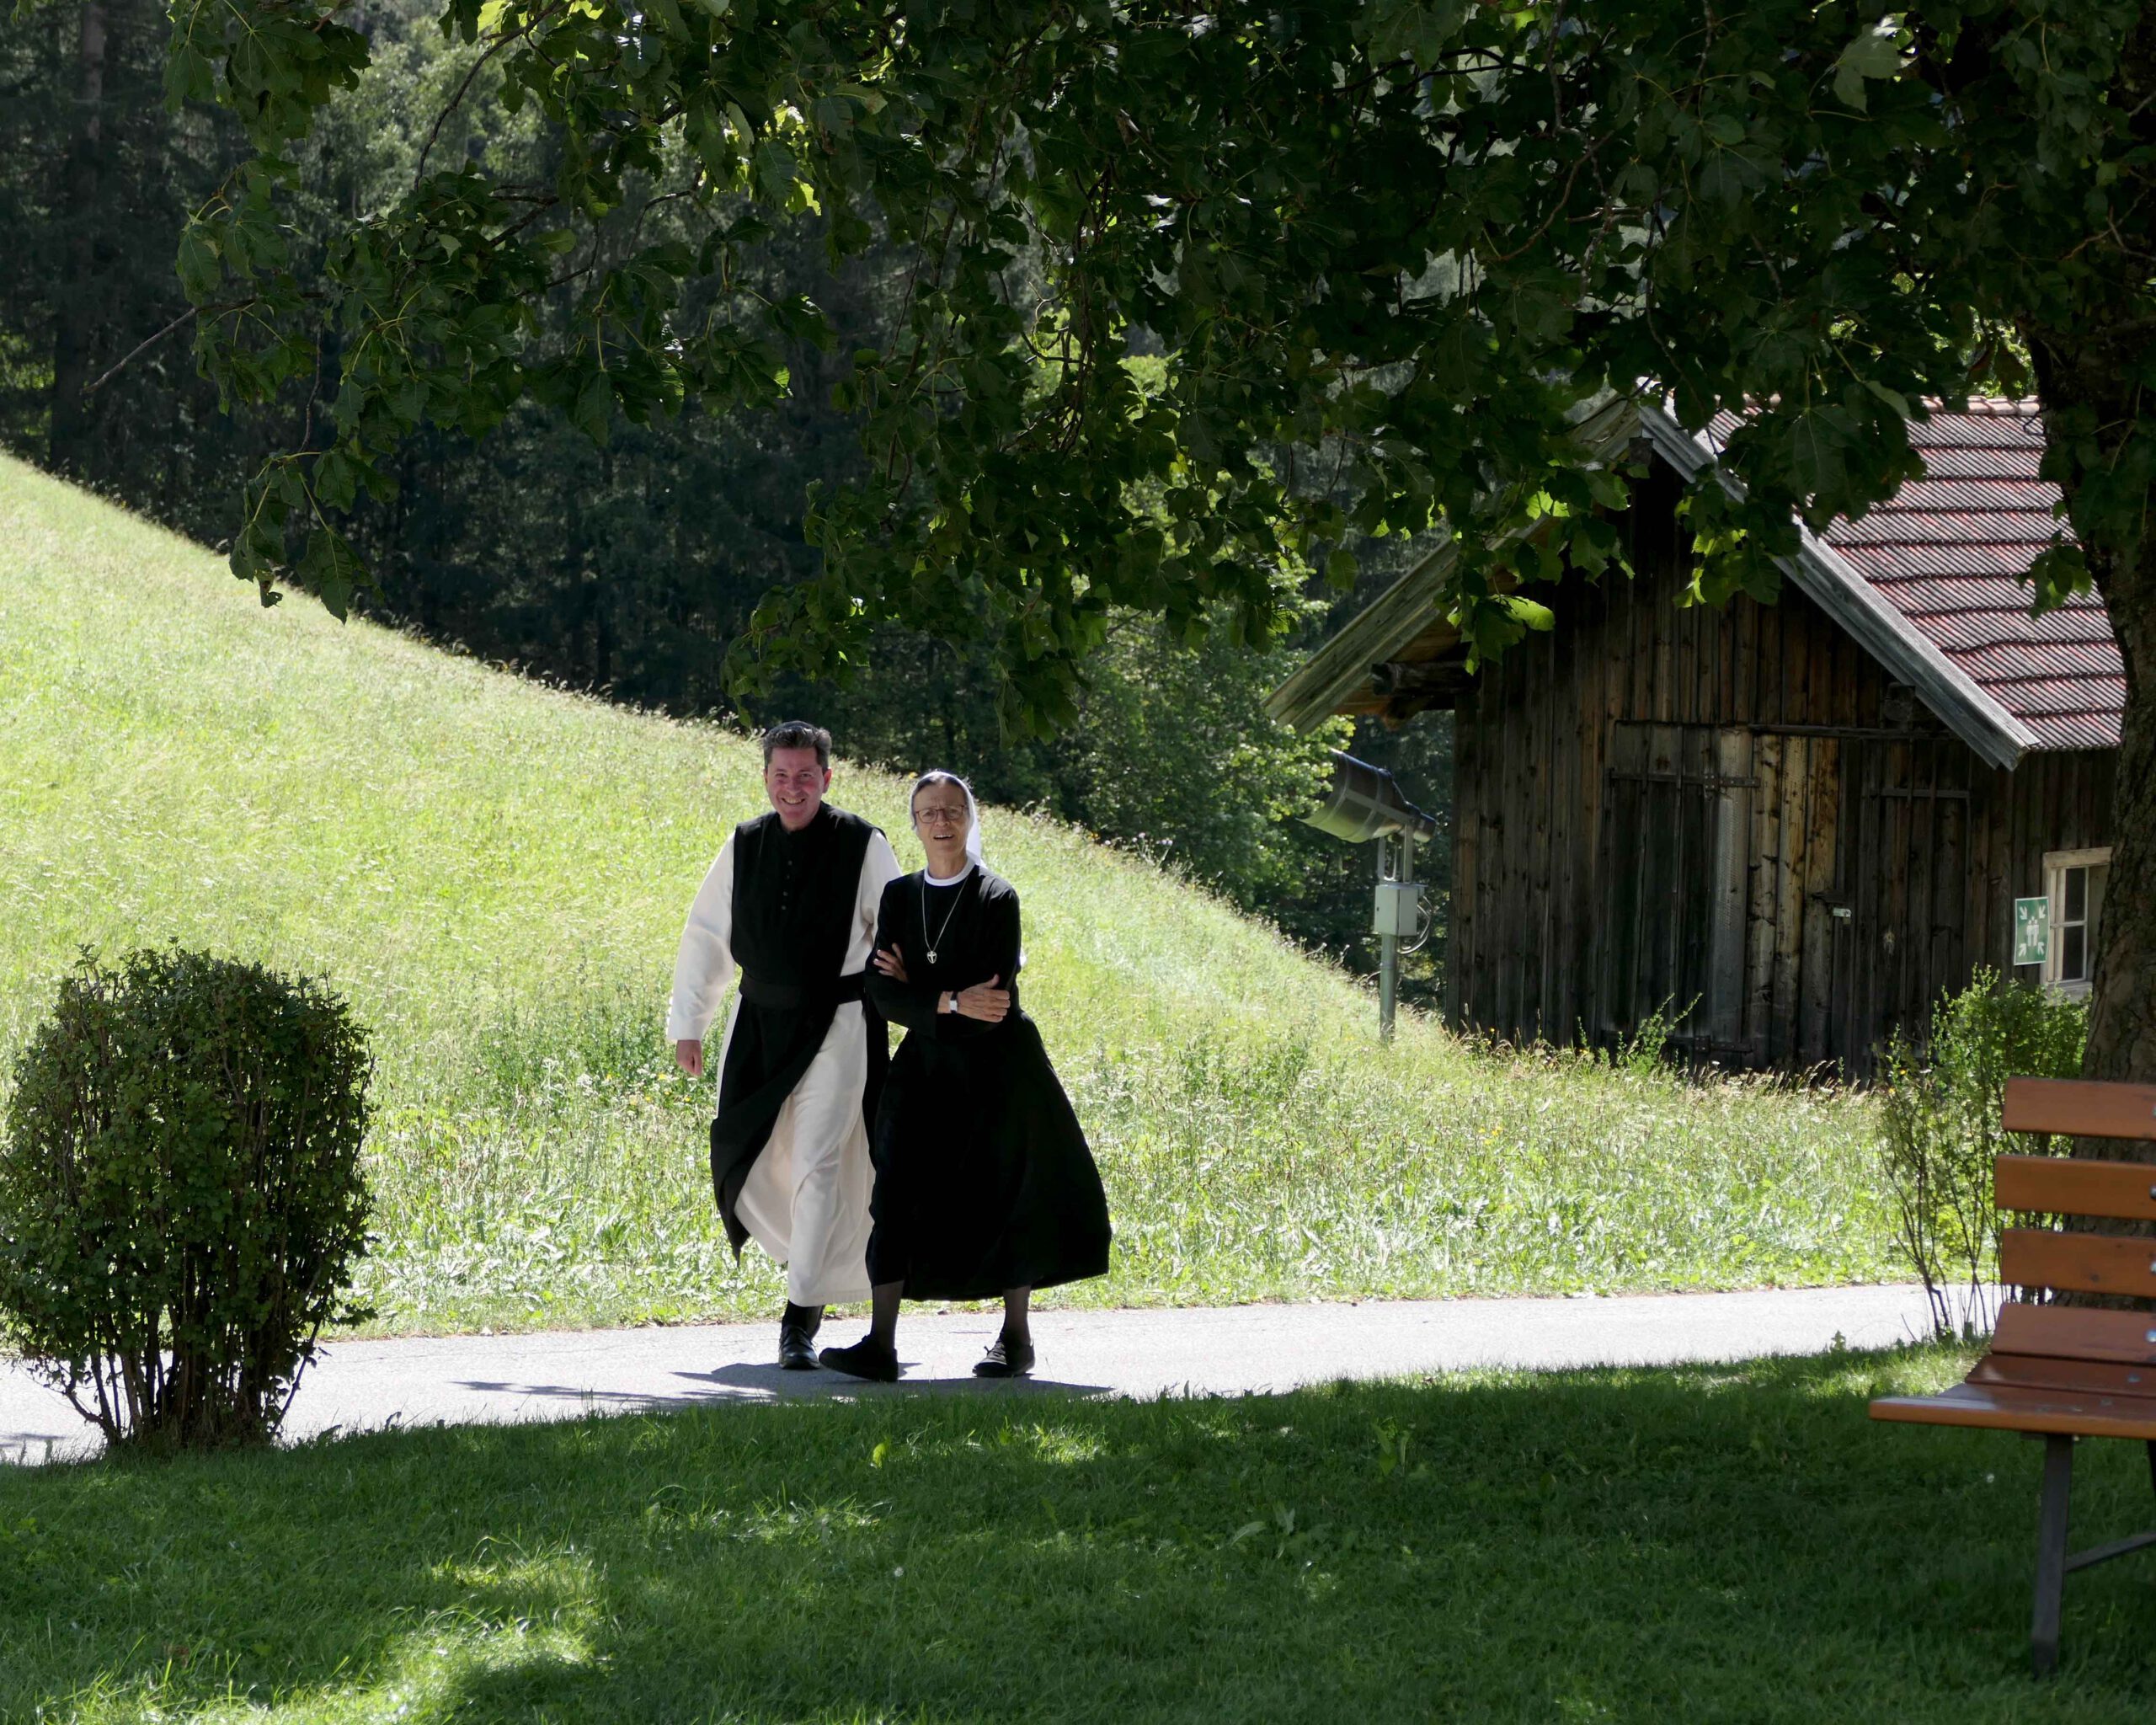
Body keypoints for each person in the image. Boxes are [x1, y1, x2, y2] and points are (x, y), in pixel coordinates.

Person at [819, 771, 1111, 1383]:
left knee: (1007, 1194)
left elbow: (993, 999)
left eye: (953, 810)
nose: (942, 821)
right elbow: (879, 990)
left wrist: (920, 995)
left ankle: (1016, 1339)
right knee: (893, 1190)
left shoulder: (996, 898)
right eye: (929, 812)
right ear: (915, 824)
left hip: (997, 1069)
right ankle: (880, 1345)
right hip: (922, 1071)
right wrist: (946, 1002)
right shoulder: (899, 898)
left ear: (969, 819)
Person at [667, 721, 901, 1369]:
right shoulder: (744, 844)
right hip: (759, 1024)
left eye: (805, 776)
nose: (792, 787)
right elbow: (707, 934)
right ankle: (806, 1267)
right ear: (766, 778)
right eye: (781, 775)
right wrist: (691, 1022)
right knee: (757, 1160)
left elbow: (897, 925)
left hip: (840, 1021)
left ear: (827, 779)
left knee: (821, 1164)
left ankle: (798, 1319)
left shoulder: (863, 843)